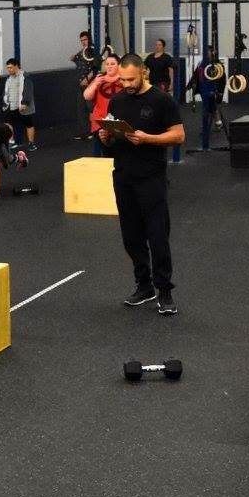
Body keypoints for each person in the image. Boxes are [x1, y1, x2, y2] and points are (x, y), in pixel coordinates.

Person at [98, 53, 185, 316]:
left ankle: (164, 290)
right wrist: (106, 136)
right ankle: (144, 286)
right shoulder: (118, 100)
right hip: (123, 176)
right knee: (131, 236)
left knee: (158, 235)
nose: (126, 84)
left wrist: (147, 138)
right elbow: (111, 138)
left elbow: (179, 135)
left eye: (131, 79)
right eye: (123, 79)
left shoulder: (161, 100)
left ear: (143, 73)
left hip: (151, 177)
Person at [0, 58, 36, 151]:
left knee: (29, 124)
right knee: (8, 123)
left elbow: (28, 90)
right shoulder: (8, 79)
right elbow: (6, 92)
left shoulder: (25, 77)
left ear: (16, 66)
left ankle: (31, 143)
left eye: (10, 68)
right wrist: (5, 103)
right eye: (7, 68)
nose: (9, 70)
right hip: (11, 106)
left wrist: (25, 103)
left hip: (23, 106)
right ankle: (12, 142)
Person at [84, 53, 122, 139]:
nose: (109, 66)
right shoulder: (99, 79)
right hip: (100, 120)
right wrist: (95, 84)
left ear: (119, 65)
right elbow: (86, 96)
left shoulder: (124, 79)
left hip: (119, 121)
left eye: (112, 64)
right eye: (107, 64)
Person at [71, 30, 98, 138]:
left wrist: (88, 78)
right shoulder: (80, 53)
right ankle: (85, 132)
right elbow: (77, 61)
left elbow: (96, 66)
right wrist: (73, 59)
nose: (83, 42)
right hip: (81, 85)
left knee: (91, 108)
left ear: (89, 39)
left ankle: (93, 131)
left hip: (90, 84)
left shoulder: (92, 52)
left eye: (85, 39)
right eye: (81, 40)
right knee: (81, 109)